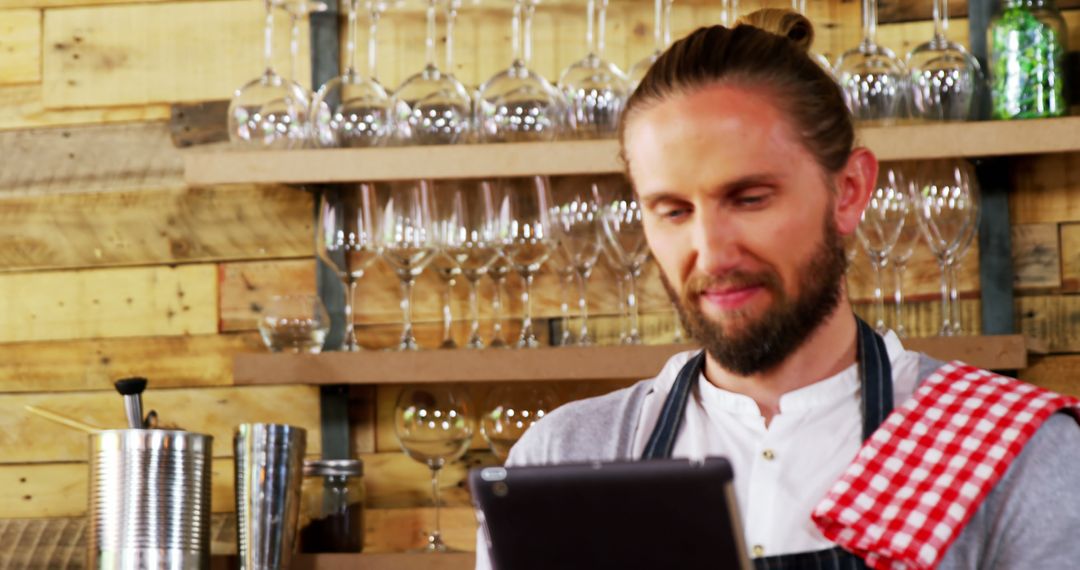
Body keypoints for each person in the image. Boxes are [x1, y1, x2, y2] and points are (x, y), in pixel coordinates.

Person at [474, 8, 1080, 570]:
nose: (711, 253)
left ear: (848, 191)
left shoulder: (1014, 454)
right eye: (673, 211)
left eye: (749, 199)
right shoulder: (559, 461)